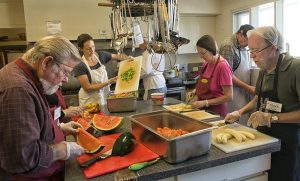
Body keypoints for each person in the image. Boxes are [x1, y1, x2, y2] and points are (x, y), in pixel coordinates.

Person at [0, 35, 85, 180]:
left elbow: (31, 123)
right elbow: (24, 157)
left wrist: (59, 128)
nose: (66, 80)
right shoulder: (18, 89)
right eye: (65, 72)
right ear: (46, 63)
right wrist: (63, 149)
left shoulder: (28, 78)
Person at [225, 26, 300, 181]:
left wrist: (272, 118)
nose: (252, 56)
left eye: (256, 50)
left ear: (273, 48)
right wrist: (239, 112)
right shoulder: (263, 70)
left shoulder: (295, 69)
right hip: (264, 140)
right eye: (250, 51)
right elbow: (259, 99)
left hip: (289, 144)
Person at [73, 33, 128, 106]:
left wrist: (129, 58)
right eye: (88, 49)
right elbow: (88, 88)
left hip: (104, 97)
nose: (92, 50)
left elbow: (118, 56)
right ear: (81, 49)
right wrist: (108, 82)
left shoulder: (101, 55)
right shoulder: (80, 65)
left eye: (93, 46)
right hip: (89, 102)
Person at [188, 35, 233, 117]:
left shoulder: (223, 66)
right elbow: (203, 85)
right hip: (203, 111)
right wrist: (195, 91)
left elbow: (229, 97)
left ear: (212, 50)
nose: (201, 56)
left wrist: (206, 102)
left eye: (202, 53)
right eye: (199, 53)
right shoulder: (206, 64)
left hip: (216, 112)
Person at [219, 24, 255, 124]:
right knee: (233, 122)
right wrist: (248, 87)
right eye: (247, 40)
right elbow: (227, 76)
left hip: (242, 91)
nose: (248, 44)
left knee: (243, 120)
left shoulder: (241, 45)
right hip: (232, 93)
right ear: (240, 34)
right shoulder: (228, 46)